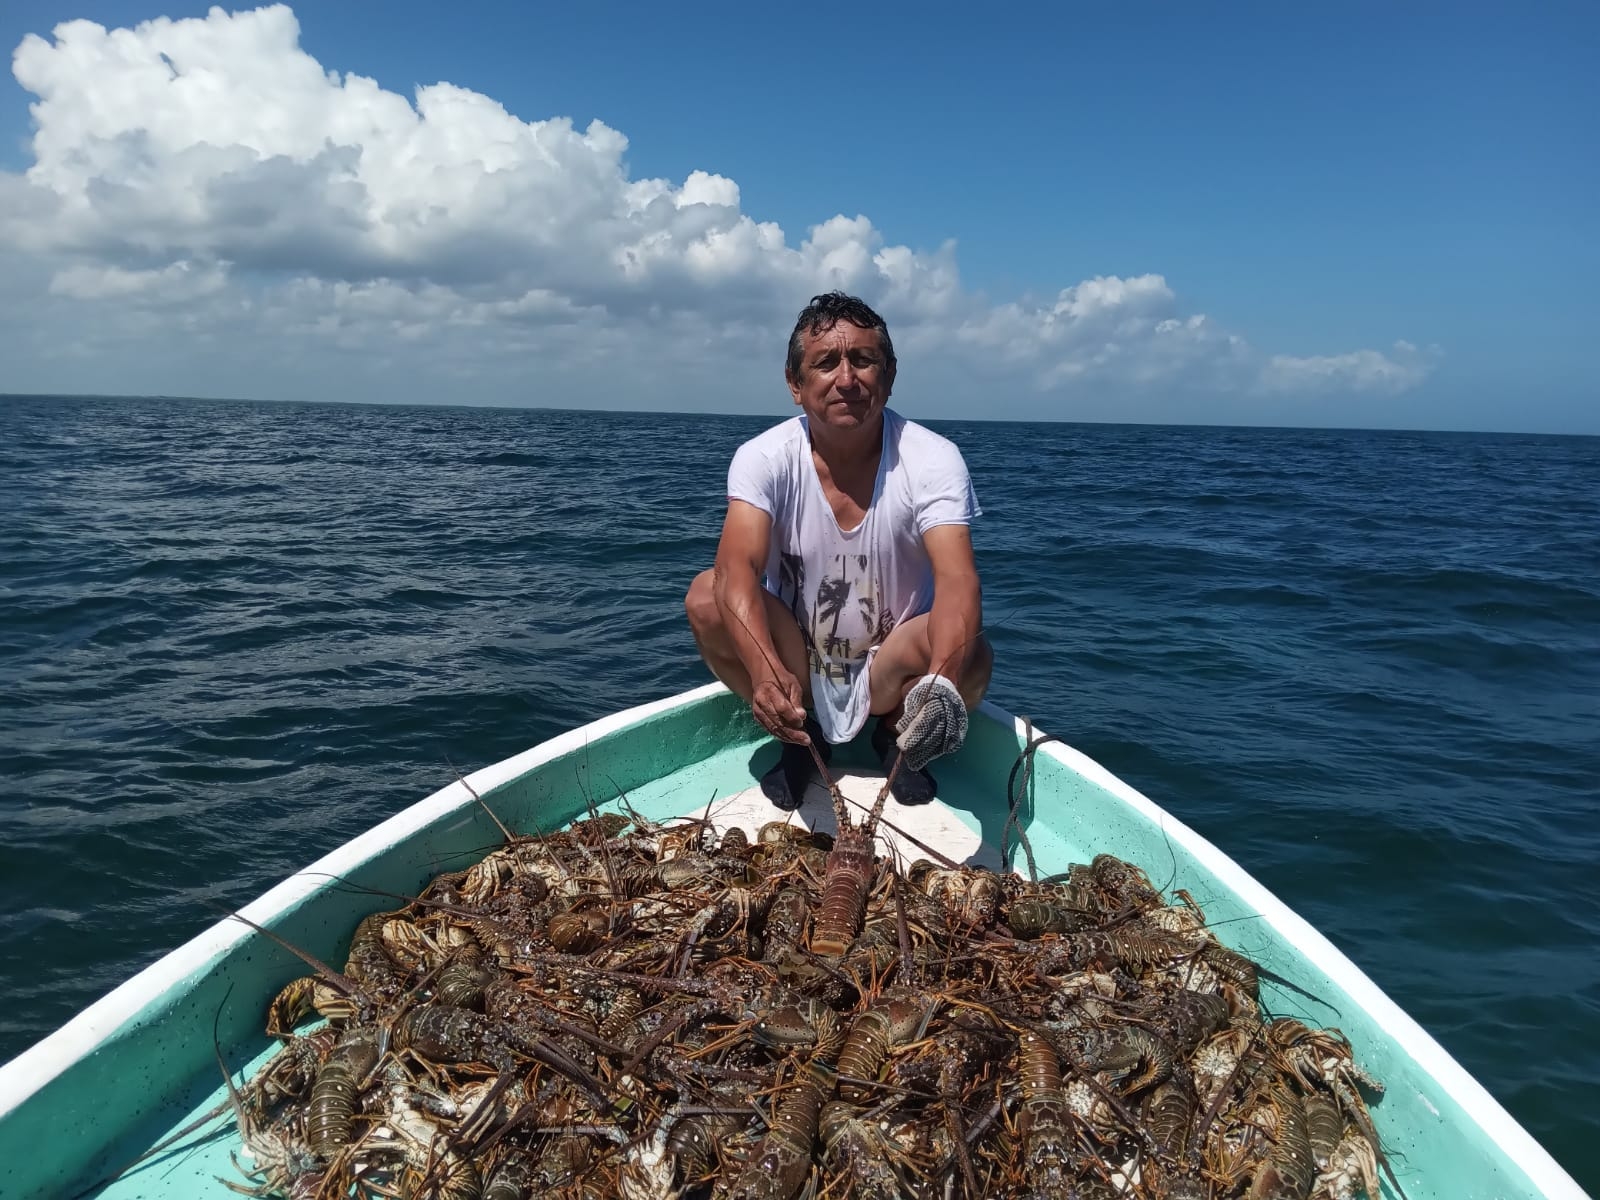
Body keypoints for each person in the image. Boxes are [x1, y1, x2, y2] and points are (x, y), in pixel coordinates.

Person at [685, 291, 992, 809]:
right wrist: (764, 672)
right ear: (795, 385)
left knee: (974, 655)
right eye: (825, 362)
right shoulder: (763, 457)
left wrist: (941, 683)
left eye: (864, 360)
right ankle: (799, 736)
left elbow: (958, 578)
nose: (846, 378)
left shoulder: (934, 458)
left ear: (889, 376)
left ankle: (900, 735)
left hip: (888, 665)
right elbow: (736, 565)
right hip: (797, 660)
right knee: (703, 598)